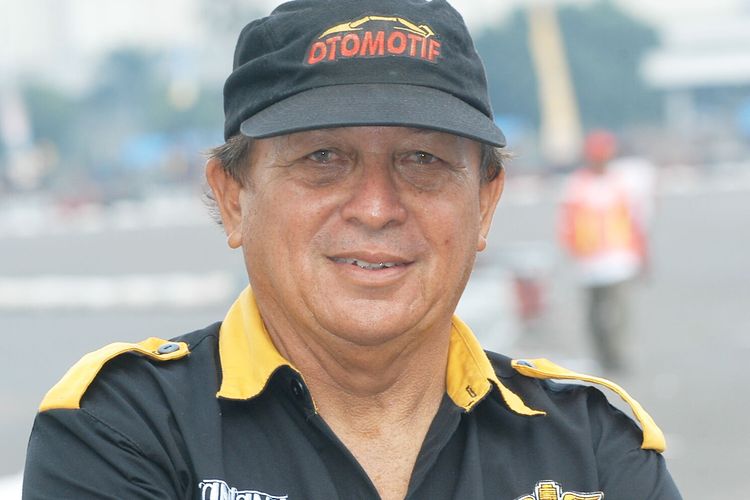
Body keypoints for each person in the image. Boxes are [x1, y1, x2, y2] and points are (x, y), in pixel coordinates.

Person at [23, 1, 681, 499]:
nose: (375, 207)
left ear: (485, 204)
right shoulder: (124, 430)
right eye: (323, 158)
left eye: (422, 159)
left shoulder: (594, 448)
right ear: (233, 197)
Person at [557, 130, 649, 372]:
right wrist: (571, 250)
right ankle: (602, 356)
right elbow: (567, 223)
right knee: (594, 314)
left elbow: (636, 221)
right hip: (589, 263)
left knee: (620, 312)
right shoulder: (576, 185)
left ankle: (618, 355)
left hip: (619, 260)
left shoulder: (622, 183)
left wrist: (641, 254)